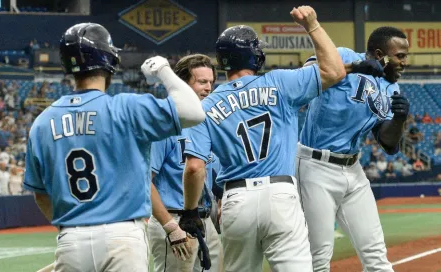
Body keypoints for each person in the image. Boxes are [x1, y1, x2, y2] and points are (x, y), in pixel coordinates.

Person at [177, 6, 379, 272]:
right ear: (254, 56)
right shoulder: (280, 83)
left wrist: (190, 211)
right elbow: (334, 71)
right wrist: (312, 25)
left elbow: (194, 167)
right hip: (280, 193)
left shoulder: (204, 106)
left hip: (236, 199)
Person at [25, 23, 205, 272]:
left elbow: (41, 194)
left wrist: (73, 229)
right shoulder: (126, 107)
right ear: (109, 59)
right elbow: (194, 111)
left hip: (71, 239)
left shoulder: (43, 121)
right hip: (122, 235)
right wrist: (163, 69)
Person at [296, 26, 409, 272]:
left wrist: (399, 119)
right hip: (315, 166)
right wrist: (354, 67)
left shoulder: (391, 88)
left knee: (376, 255)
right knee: (319, 258)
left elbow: (389, 145)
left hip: (353, 170)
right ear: (380, 54)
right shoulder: (346, 55)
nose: (404, 62)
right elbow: (305, 77)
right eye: (400, 55)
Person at [148, 54, 223, 272]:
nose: (209, 88)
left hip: (203, 220)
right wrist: (171, 228)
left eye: (211, 82)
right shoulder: (163, 124)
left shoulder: (207, 122)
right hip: (174, 217)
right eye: (202, 82)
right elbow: (145, 181)